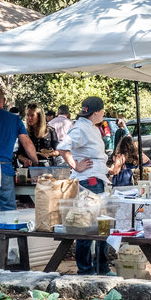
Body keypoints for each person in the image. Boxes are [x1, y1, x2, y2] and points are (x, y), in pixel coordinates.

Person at [56, 96, 110, 274]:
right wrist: (75, 165)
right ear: (96, 112)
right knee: (86, 228)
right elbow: (63, 147)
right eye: (102, 111)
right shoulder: (80, 128)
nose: (103, 113)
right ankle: (85, 270)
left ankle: (101, 267)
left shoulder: (91, 127)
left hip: (97, 180)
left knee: (102, 226)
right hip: (89, 182)